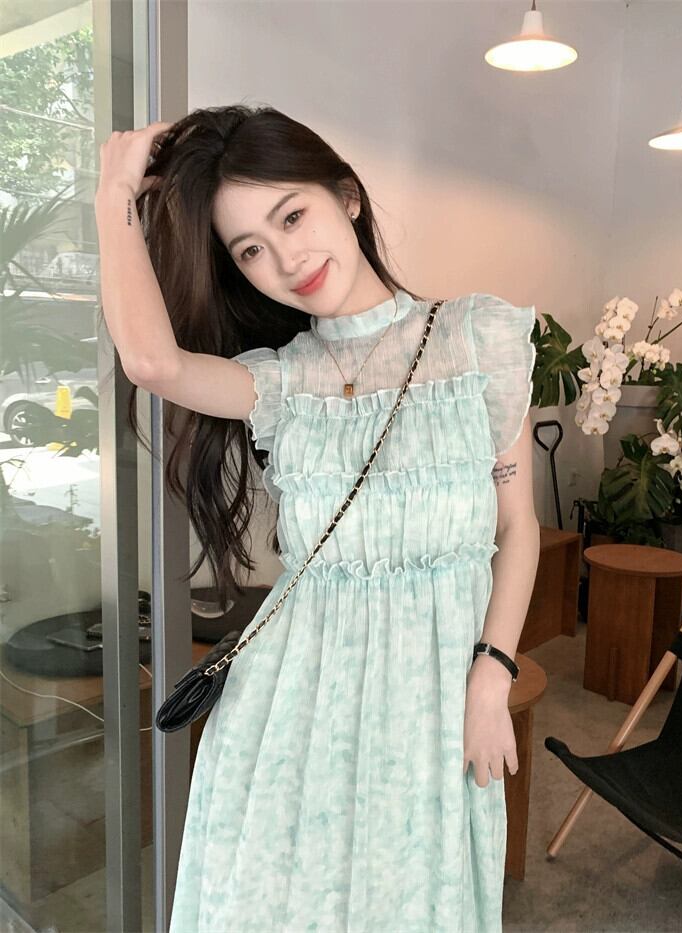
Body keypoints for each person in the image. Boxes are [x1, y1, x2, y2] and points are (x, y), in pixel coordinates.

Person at [95, 104, 540, 933]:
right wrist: (112, 196)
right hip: (291, 719)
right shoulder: (282, 382)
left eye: (292, 216)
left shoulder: (479, 339)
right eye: (250, 249)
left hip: (431, 710)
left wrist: (493, 673)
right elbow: (152, 362)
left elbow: (518, 529)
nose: (285, 260)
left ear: (348, 197)